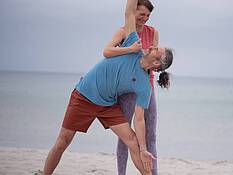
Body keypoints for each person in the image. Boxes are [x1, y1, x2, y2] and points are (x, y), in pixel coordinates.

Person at [42, 0, 173, 174]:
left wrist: (143, 150)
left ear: (156, 63)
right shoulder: (133, 43)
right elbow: (128, 12)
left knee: (133, 141)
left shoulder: (144, 86)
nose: (153, 45)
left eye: (157, 49)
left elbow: (139, 120)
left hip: (107, 105)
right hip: (84, 95)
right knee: (63, 141)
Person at [103, 0, 160, 174]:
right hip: (127, 89)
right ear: (134, 12)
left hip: (146, 87)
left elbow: (153, 60)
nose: (145, 19)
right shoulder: (124, 31)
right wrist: (129, 49)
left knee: (151, 136)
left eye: (148, 15)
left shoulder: (153, 32)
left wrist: (155, 63)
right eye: (141, 14)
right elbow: (107, 52)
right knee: (126, 136)